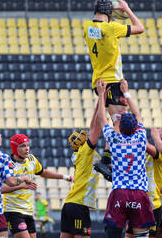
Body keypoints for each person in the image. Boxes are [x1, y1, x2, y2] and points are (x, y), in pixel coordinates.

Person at [97, 77, 155, 238]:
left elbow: (102, 119)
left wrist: (102, 94)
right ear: (136, 127)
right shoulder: (141, 136)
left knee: (113, 233)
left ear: (120, 127)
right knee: (141, 235)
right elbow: (137, 114)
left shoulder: (114, 140)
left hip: (120, 192)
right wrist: (126, 92)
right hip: (139, 192)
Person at [2, 134, 73, 238]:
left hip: (29, 210)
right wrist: (21, 185)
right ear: (14, 148)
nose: (27, 148)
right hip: (12, 210)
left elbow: (43, 172)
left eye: (28, 145)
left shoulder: (31, 159)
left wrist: (64, 177)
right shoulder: (8, 164)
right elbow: (1, 189)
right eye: (22, 146)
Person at [83, 0, 144, 117]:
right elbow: (140, 28)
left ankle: (90, 137)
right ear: (110, 13)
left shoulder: (87, 27)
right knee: (119, 124)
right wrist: (127, 9)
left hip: (98, 81)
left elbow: (103, 29)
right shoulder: (113, 28)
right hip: (113, 81)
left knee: (100, 121)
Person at [60, 79, 105, 238]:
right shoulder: (86, 152)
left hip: (69, 204)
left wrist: (99, 102)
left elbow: (92, 125)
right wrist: (102, 96)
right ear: (83, 142)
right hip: (79, 205)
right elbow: (97, 126)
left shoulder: (79, 154)